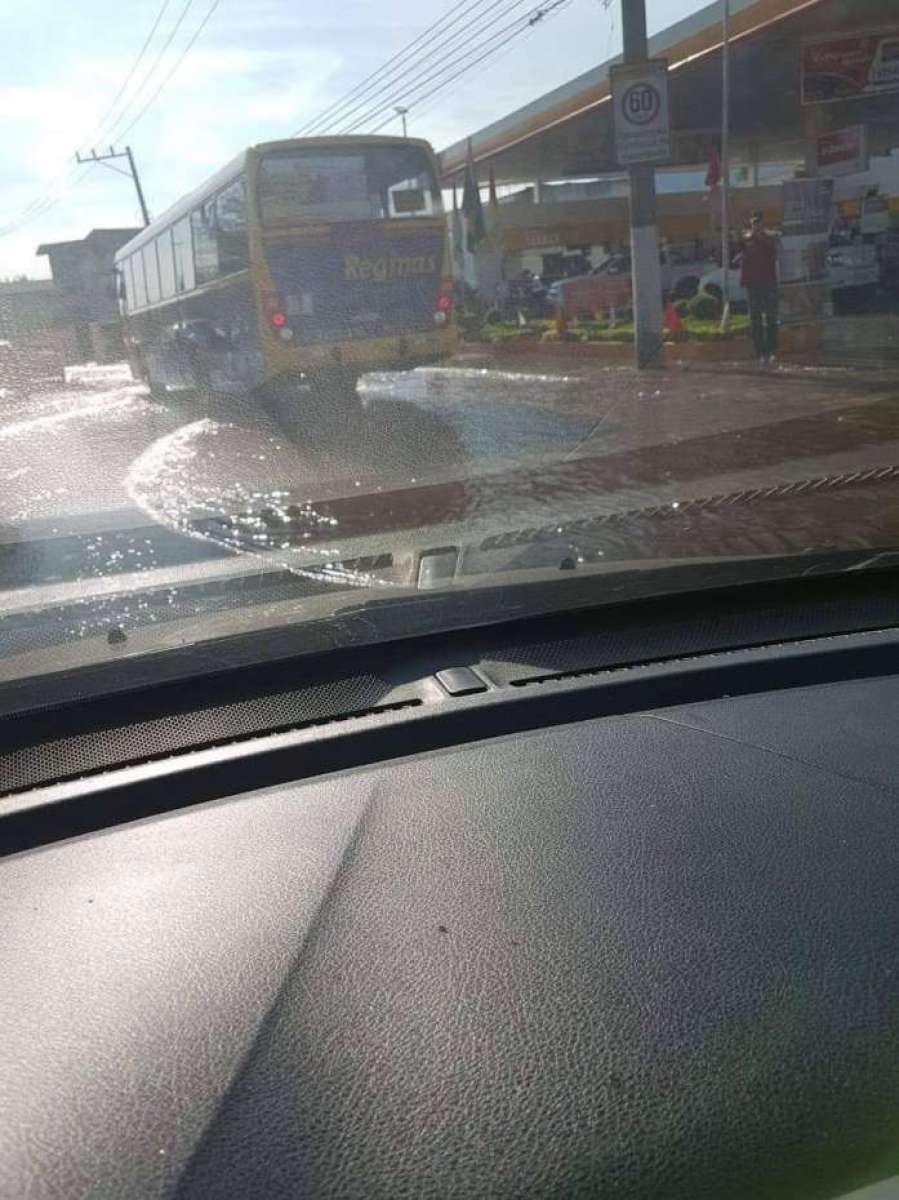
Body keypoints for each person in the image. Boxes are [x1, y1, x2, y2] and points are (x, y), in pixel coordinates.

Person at [740, 211, 780, 366]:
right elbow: (738, 253)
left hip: (768, 283)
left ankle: (772, 350)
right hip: (752, 285)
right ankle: (761, 352)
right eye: (753, 225)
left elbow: (773, 252)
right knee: (755, 319)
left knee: (771, 318)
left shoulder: (769, 239)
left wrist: (764, 238)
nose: (756, 227)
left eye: (759, 224)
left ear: (762, 225)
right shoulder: (746, 241)